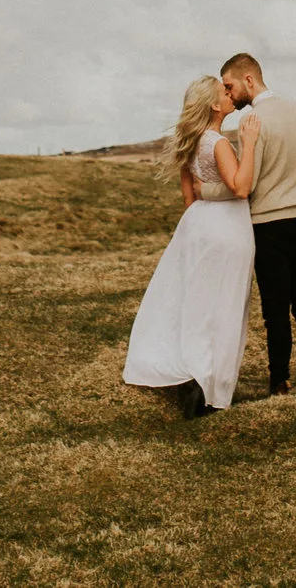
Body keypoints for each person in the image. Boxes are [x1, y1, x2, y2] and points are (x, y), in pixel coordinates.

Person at [121, 74, 261, 416]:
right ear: (214, 105)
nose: (230, 96)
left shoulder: (190, 142)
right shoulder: (218, 143)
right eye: (224, 93)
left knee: (196, 305)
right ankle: (210, 387)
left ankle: (189, 374)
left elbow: (189, 198)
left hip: (197, 226)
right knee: (223, 307)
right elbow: (241, 187)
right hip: (228, 230)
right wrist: (251, 142)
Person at [219, 52, 296, 397]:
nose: (229, 94)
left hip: (268, 225)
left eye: (230, 86)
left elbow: (248, 182)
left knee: (275, 310)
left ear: (249, 80)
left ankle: (279, 381)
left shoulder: (251, 124)